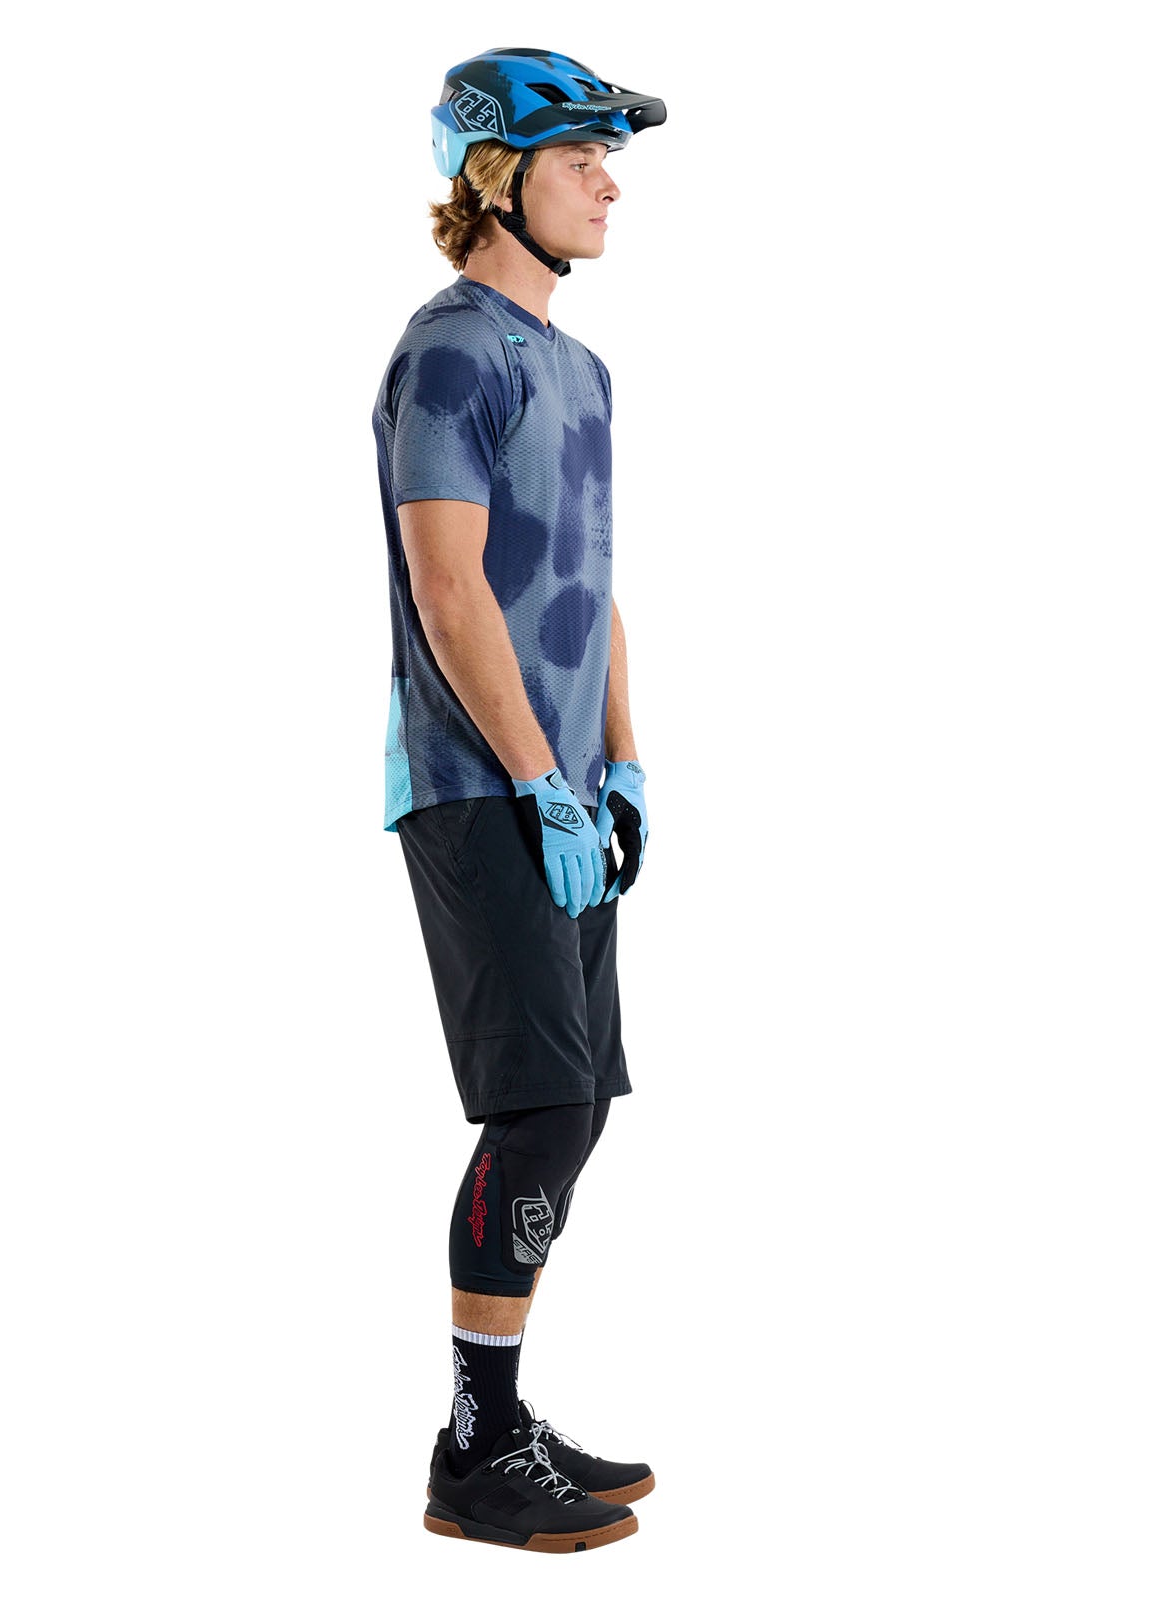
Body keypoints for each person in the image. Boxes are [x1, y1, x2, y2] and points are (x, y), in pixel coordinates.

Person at [371, 48, 665, 1555]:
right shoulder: (448, 354)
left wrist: (622, 765)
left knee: (581, 1096)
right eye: (582, 158)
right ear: (500, 177)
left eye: (611, 158)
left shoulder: (583, 370)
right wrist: (539, 782)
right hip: (475, 782)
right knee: (538, 1103)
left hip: (562, 786)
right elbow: (449, 586)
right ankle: (476, 1449)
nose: (611, 184)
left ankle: (496, 1417)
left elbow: (588, 582)